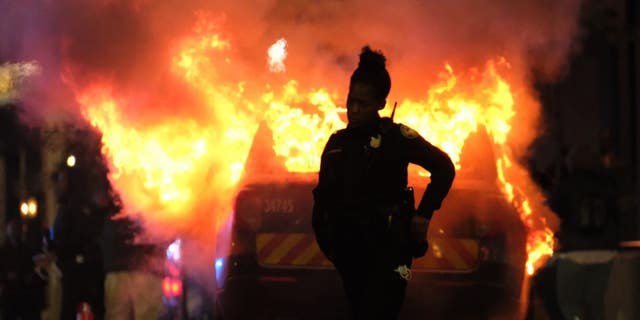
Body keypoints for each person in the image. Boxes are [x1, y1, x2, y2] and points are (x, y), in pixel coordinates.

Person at [312, 46, 455, 319]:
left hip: (392, 254)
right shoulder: (336, 144)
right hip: (350, 253)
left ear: (380, 104)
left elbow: (444, 168)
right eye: (350, 101)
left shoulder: (397, 138)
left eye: (362, 104)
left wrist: (423, 216)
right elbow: (323, 201)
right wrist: (330, 245)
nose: (353, 110)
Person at [547, 144, 619, 320]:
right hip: (605, 253)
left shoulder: (566, 185)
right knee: (597, 304)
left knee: (570, 304)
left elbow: (550, 215)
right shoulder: (607, 184)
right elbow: (617, 214)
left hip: (573, 253)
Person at [0, 219, 51, 320]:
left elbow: (30, 267)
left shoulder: (25, 249)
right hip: (9, 290)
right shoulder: (4, 250)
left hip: (22, 290)